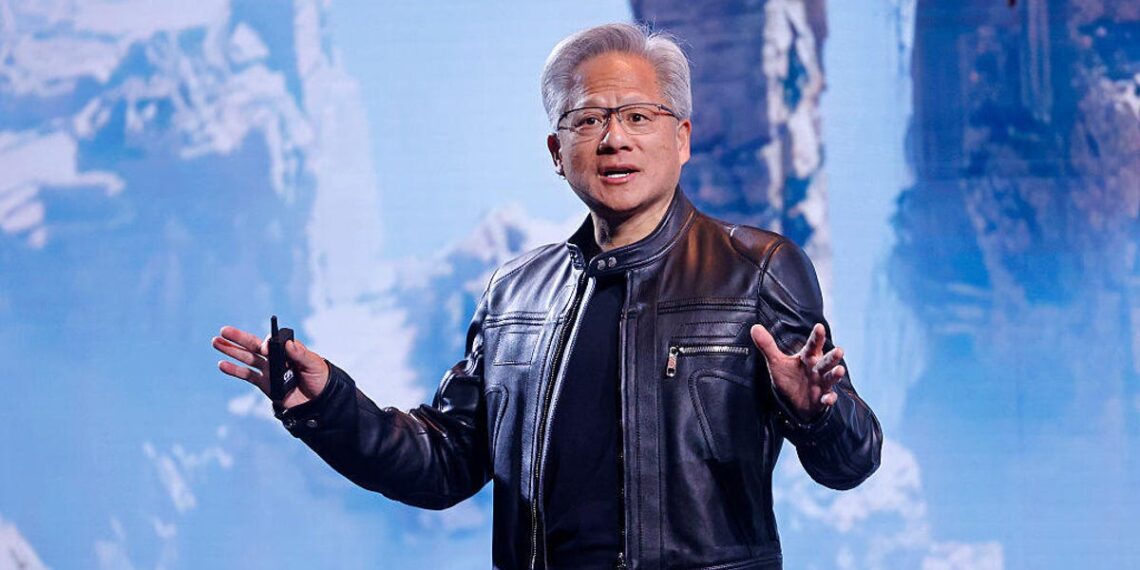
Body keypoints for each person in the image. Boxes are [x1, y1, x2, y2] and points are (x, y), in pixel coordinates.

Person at [212, 23, 881, 570]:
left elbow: (852, 460)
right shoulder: (515, 294)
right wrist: (327, 405)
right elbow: (446, 462)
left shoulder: (757, 268)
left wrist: (815, 412)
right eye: (588, 120)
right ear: (557, 151)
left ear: (682, 138)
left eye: (638, 116)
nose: (614, 138)